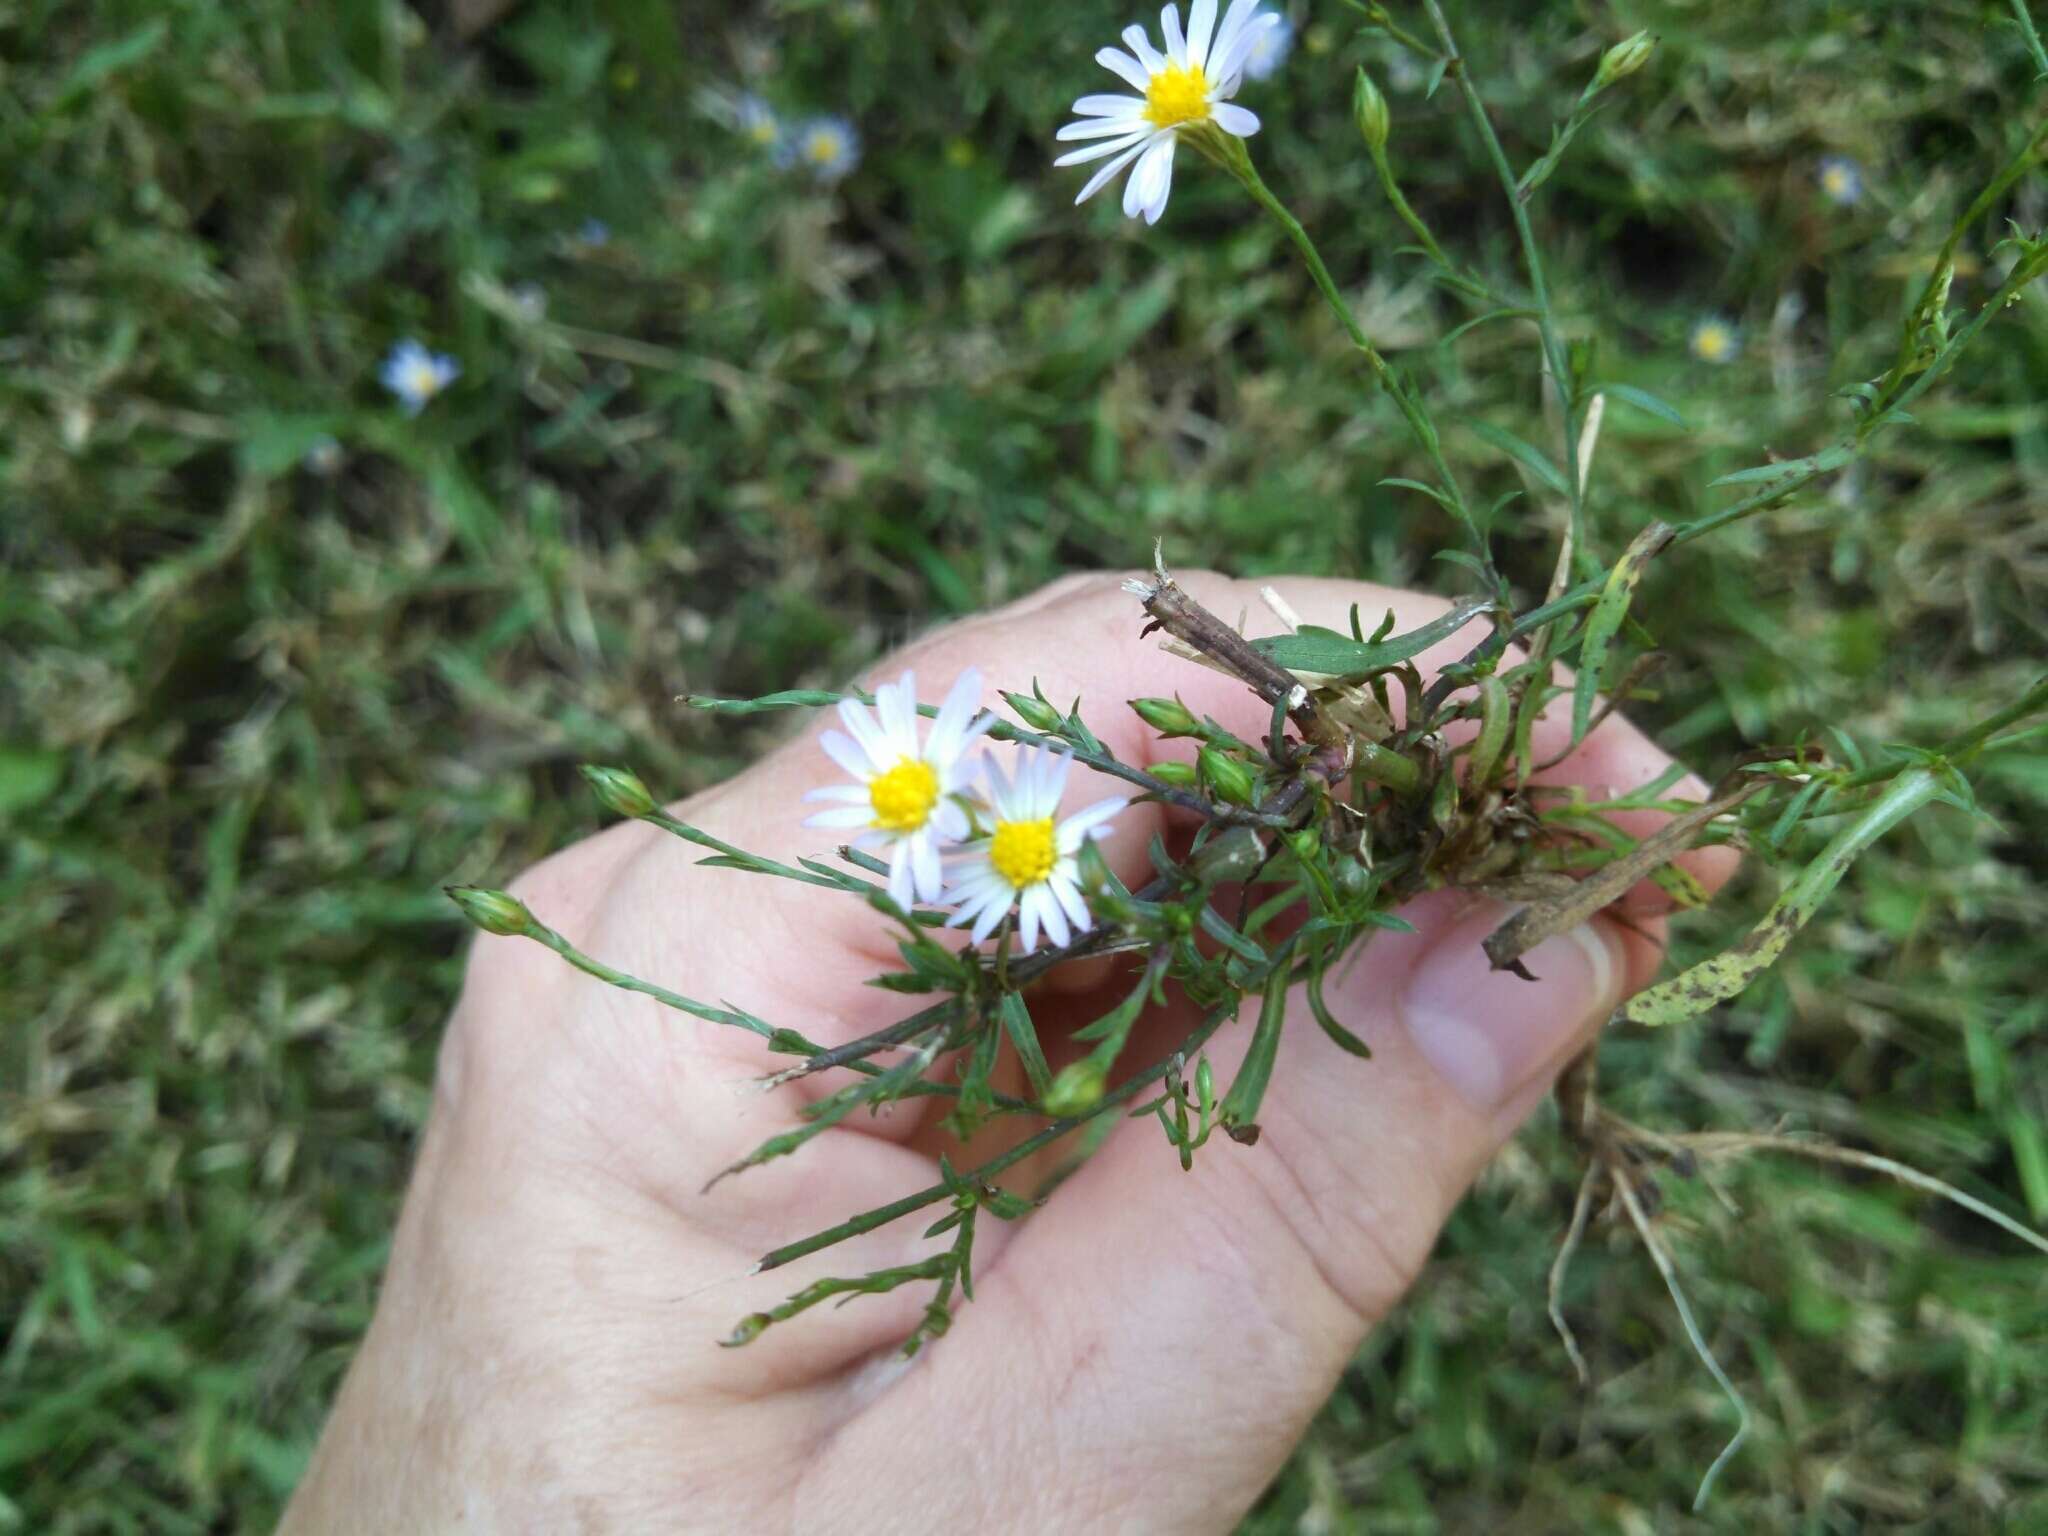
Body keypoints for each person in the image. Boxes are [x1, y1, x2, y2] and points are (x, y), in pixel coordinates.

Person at [280, 571, 1734, 1532]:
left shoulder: (996, 830)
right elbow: (1001, 864)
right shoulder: (980, 846)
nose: (906, 795)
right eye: (902, 800)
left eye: (918, 795)